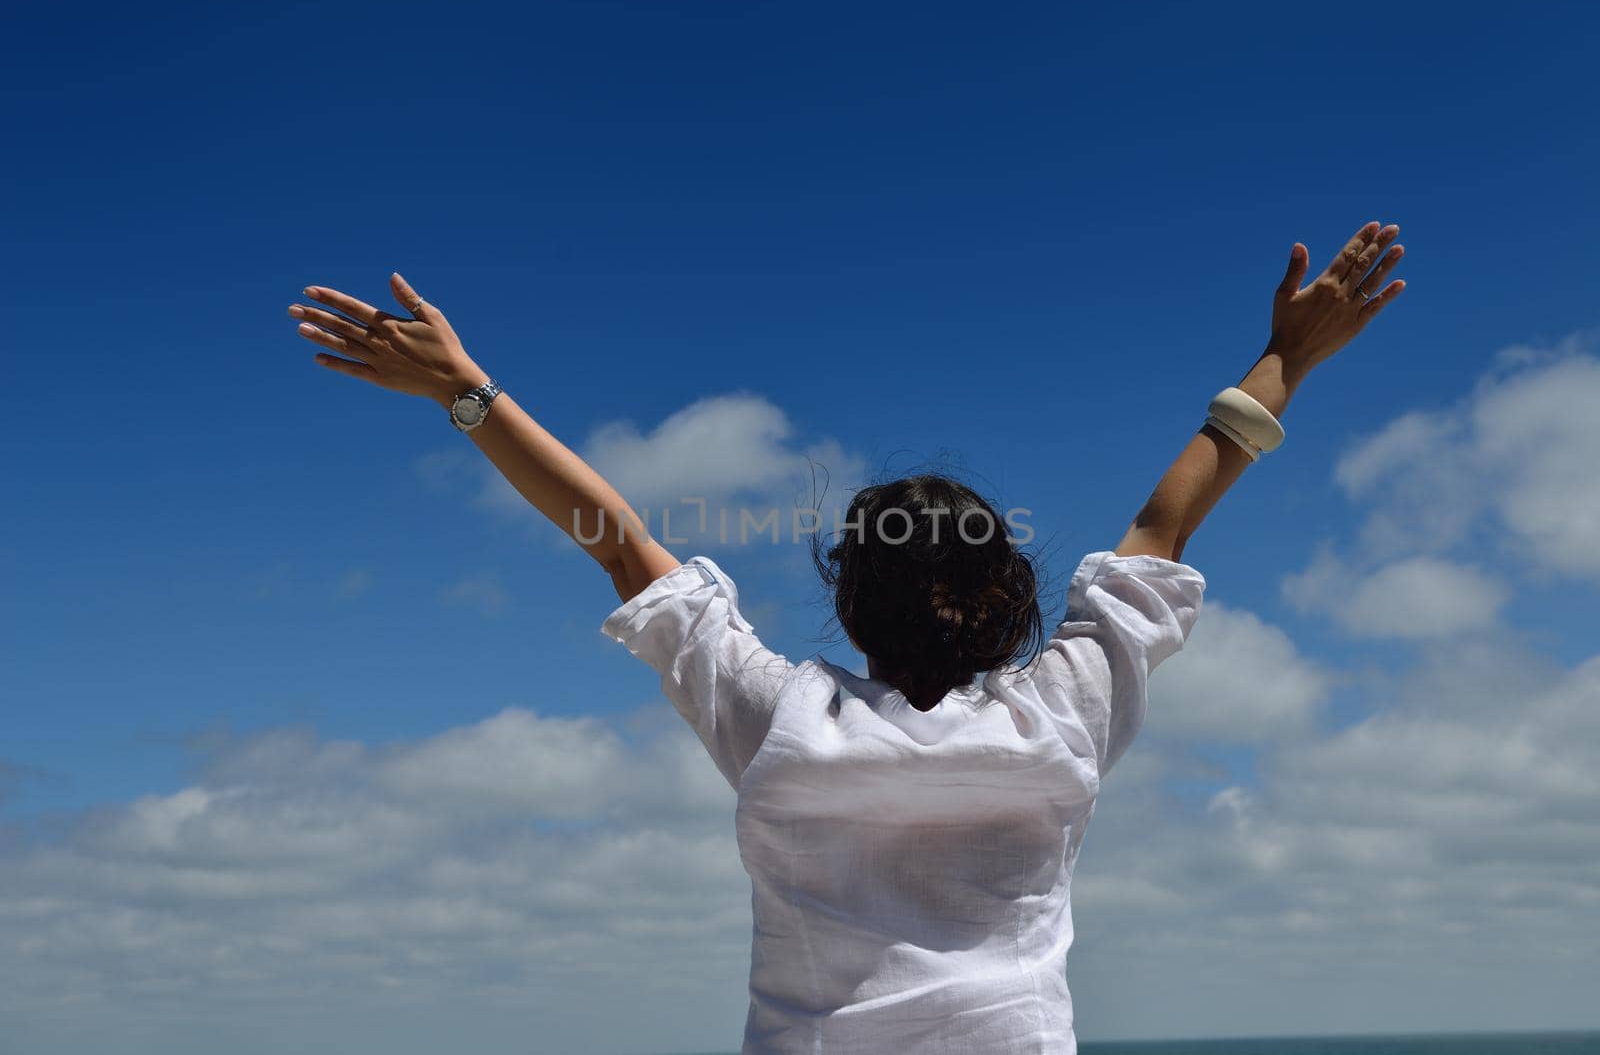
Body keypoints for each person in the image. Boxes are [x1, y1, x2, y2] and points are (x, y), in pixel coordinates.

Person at [286, 220, 1405, 1053]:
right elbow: (1168, 519)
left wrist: (467, 393)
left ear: (851, 602)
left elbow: (617, 540)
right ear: (1011, 599)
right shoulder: (1062, 710)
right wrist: (1288, 359)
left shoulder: (785, 719)